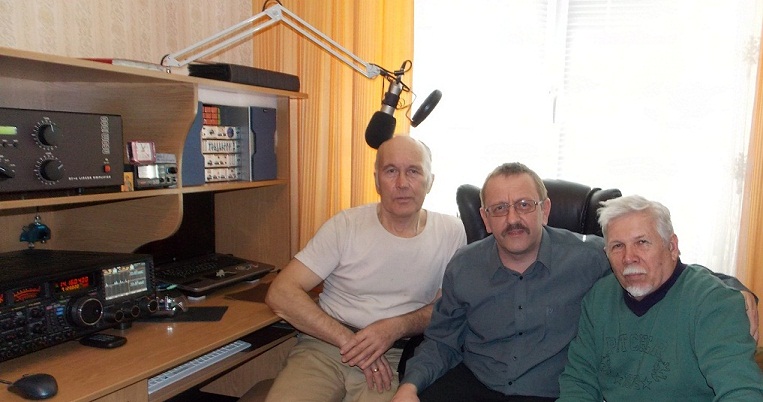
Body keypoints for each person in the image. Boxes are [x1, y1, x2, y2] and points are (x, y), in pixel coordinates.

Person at [391, 162, 758, 402]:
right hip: (476, 383)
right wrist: (409, 386)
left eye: (524, 204)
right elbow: (442, 340)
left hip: (545, 393)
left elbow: (661, 267)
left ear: (545, 210)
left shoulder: (588, 257)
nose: (513, 218)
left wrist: (736, 290)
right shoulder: (463, 266)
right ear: (485, 219)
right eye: (499, 208)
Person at [258, 136, 467, 402]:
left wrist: (395, 328)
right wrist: (351, 342)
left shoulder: (450, 231)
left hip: (396, 353)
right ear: (377, 180)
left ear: (431, 180)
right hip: (326, 346)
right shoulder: (346, 225)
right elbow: (281, 293)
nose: (402, 183)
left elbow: (446, 309)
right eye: (391, 171)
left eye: (413, 171)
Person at [557, 195, 763, 400]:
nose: (629, 257)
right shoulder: (599, 298)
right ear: (606, 253)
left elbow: (740, 391)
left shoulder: (712, 302)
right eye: (617, 246)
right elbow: (579, 383)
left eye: (642, 242)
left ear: (672, 247)